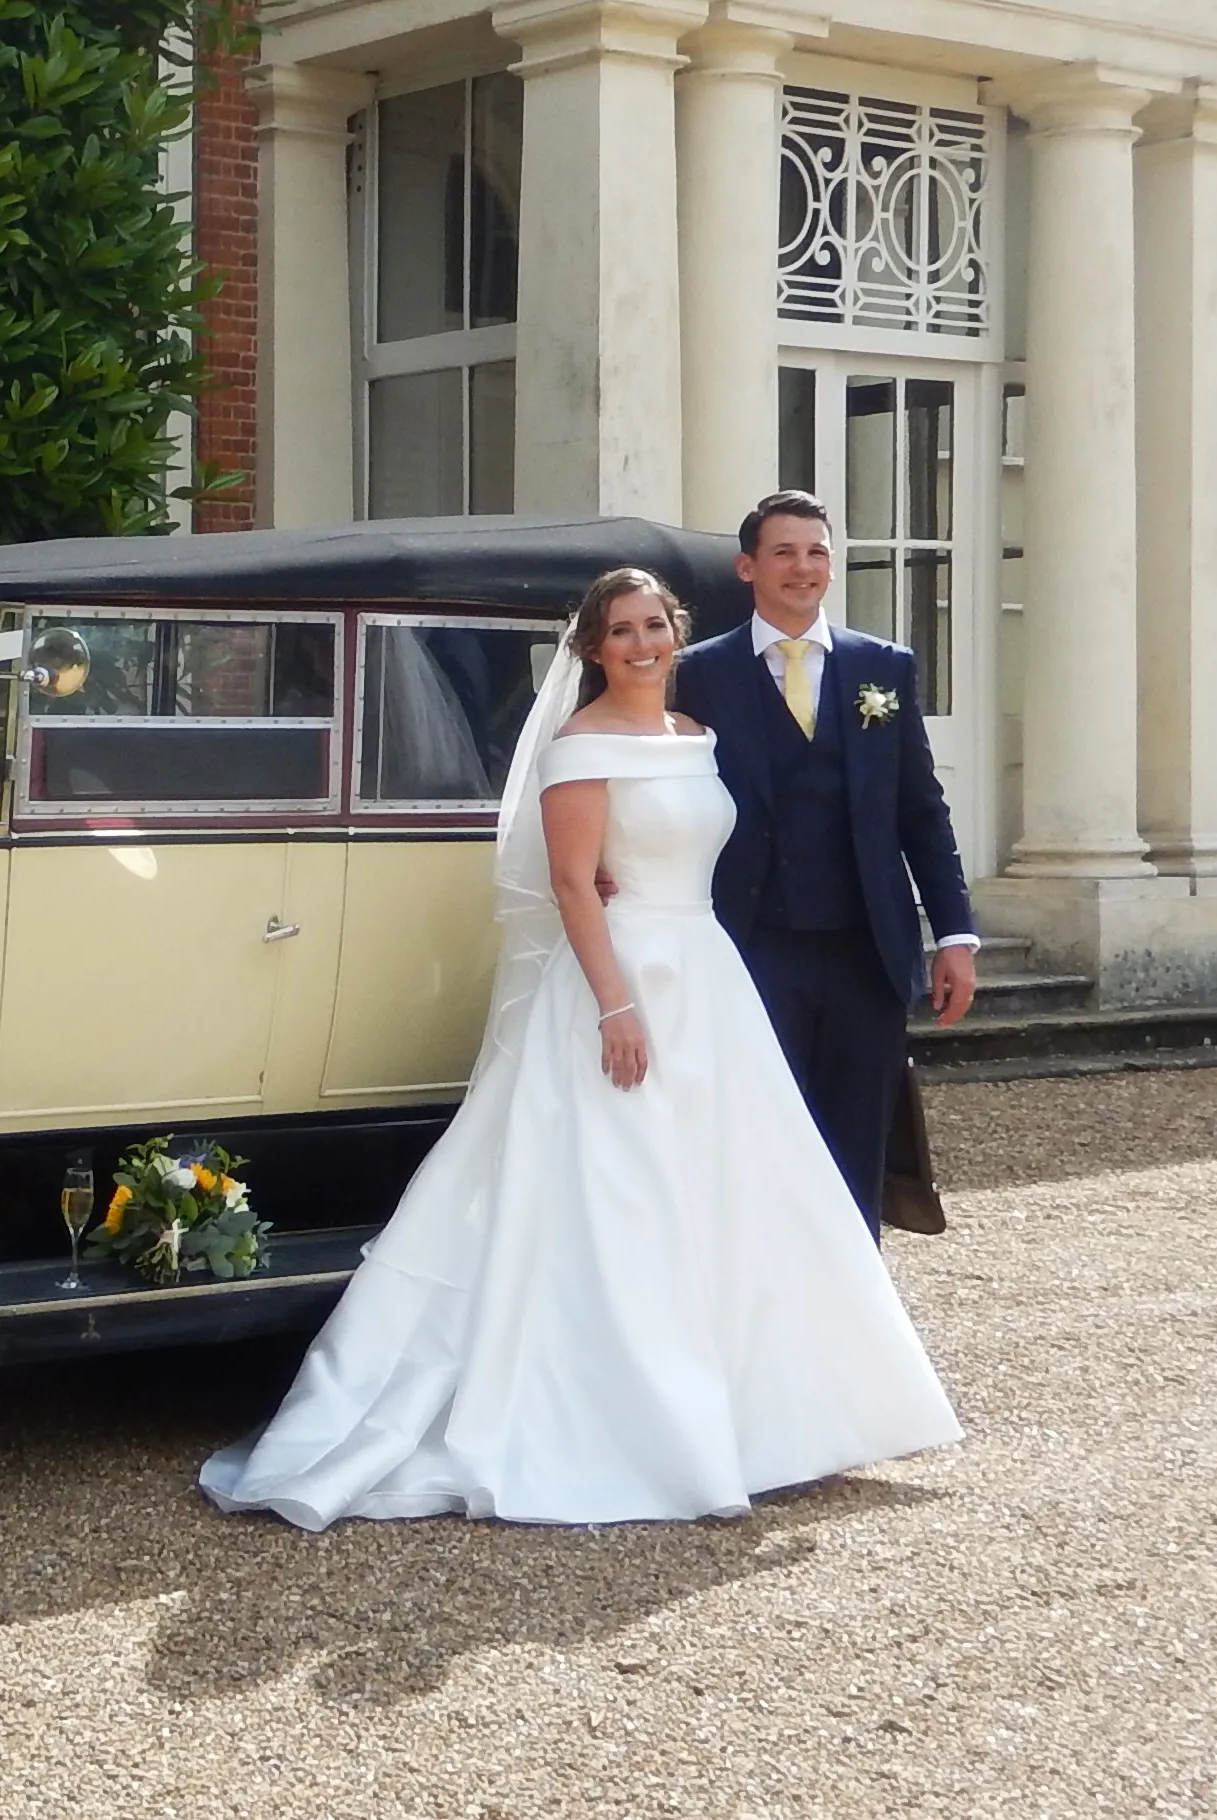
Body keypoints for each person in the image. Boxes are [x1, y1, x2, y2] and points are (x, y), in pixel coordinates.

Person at [199, 567, 959, 1528]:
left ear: (676, 633)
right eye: (622, 630)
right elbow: (569, 884)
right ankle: (627, 1419)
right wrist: (614, 1007)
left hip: (709, 979)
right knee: (621, 1189)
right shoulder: (581, 745)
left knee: (731, 1188)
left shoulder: (697, 736)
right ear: (593, 648)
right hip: (625, 982)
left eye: (655, 625)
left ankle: (766, 1413)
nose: (643, 643)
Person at [668, 491, 978, 1235]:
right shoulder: (698, 674)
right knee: (756, 1129)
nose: (802, 568)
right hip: (750, 946)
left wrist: (957, 935)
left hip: (864, 948)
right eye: (783, 552)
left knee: (856, 1138)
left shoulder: (884, 668)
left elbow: (919, 810)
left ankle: (852, 1306)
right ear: (748, 567)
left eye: (816, 552)